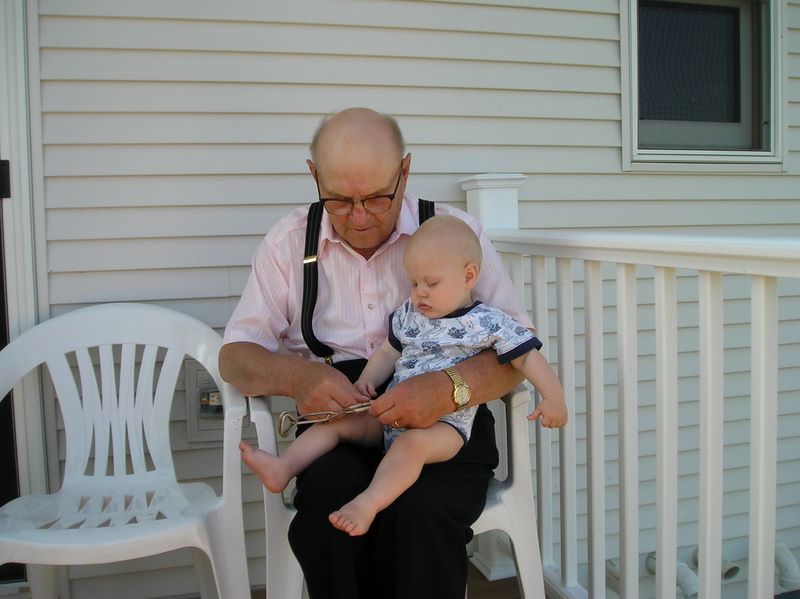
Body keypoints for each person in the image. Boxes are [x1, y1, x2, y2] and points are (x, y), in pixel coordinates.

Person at [220, 107, 533, 599]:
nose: (360, 217)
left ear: (405, 172)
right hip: (343, 413)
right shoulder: (288, 243)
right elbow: (235, 356)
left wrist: (450, 387)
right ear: (314, 176)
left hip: (448, 418)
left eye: (377, 198)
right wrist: (298, 378)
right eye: (339, 201)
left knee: (421, 514)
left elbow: (520, 349)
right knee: (329, 506)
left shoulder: (454, 233)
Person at [239, 214, 567, 538]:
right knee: (338, 421)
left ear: (469, 276)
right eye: (413, 283)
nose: (420, 293)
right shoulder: (411, 313)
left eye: (431, 283)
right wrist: (365, 382)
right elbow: (387, 352)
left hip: (444, 427)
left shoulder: (488, 322)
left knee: (410, 447)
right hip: (392, 411)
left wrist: (553, 397)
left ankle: (367, 504)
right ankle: (284, 467)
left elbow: (526, 357)